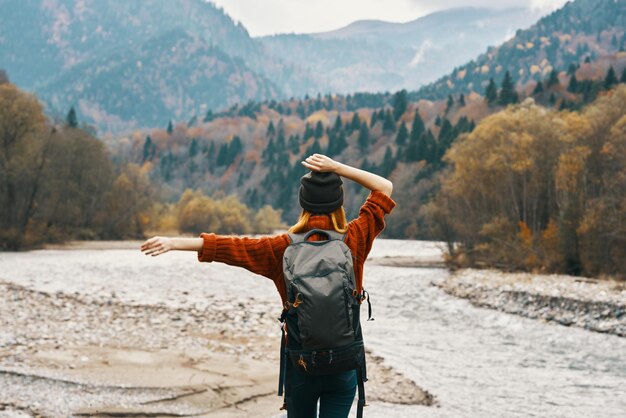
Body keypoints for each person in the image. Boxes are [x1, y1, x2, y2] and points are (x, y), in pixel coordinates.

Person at [140, 153, 395, 417]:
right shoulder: (354, 239)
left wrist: (173, 243)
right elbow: (384, 187)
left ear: (302, 204)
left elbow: (232, 246)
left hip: (301, 364)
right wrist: (337, 168)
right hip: (343, 363)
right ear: (339, 204)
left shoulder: (281, 248)